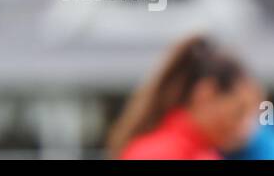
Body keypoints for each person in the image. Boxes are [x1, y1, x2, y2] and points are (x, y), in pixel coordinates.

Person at [106, 34, 259, 159]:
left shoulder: (204, 153)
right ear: (206, 93)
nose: (245, 127)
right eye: (238, 112)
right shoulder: (156, 154)